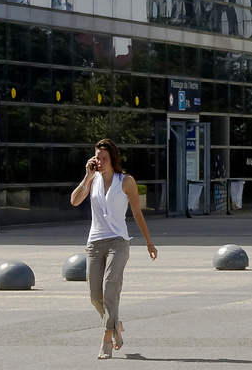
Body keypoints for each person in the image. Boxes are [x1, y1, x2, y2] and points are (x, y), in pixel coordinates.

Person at [70, 138, 157, 360]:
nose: (99, 162)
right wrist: (87, 177)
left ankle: (107, 338)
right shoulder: (93, 179)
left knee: (110, 288)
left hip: (118, 242)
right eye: (97, 158)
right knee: (94, 295)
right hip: (94, 242)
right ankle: (116, 323)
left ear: (113, 159)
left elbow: (137, 212)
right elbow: (75, 201)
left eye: (104, 158)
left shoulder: (126, 181)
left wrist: (149, 242)